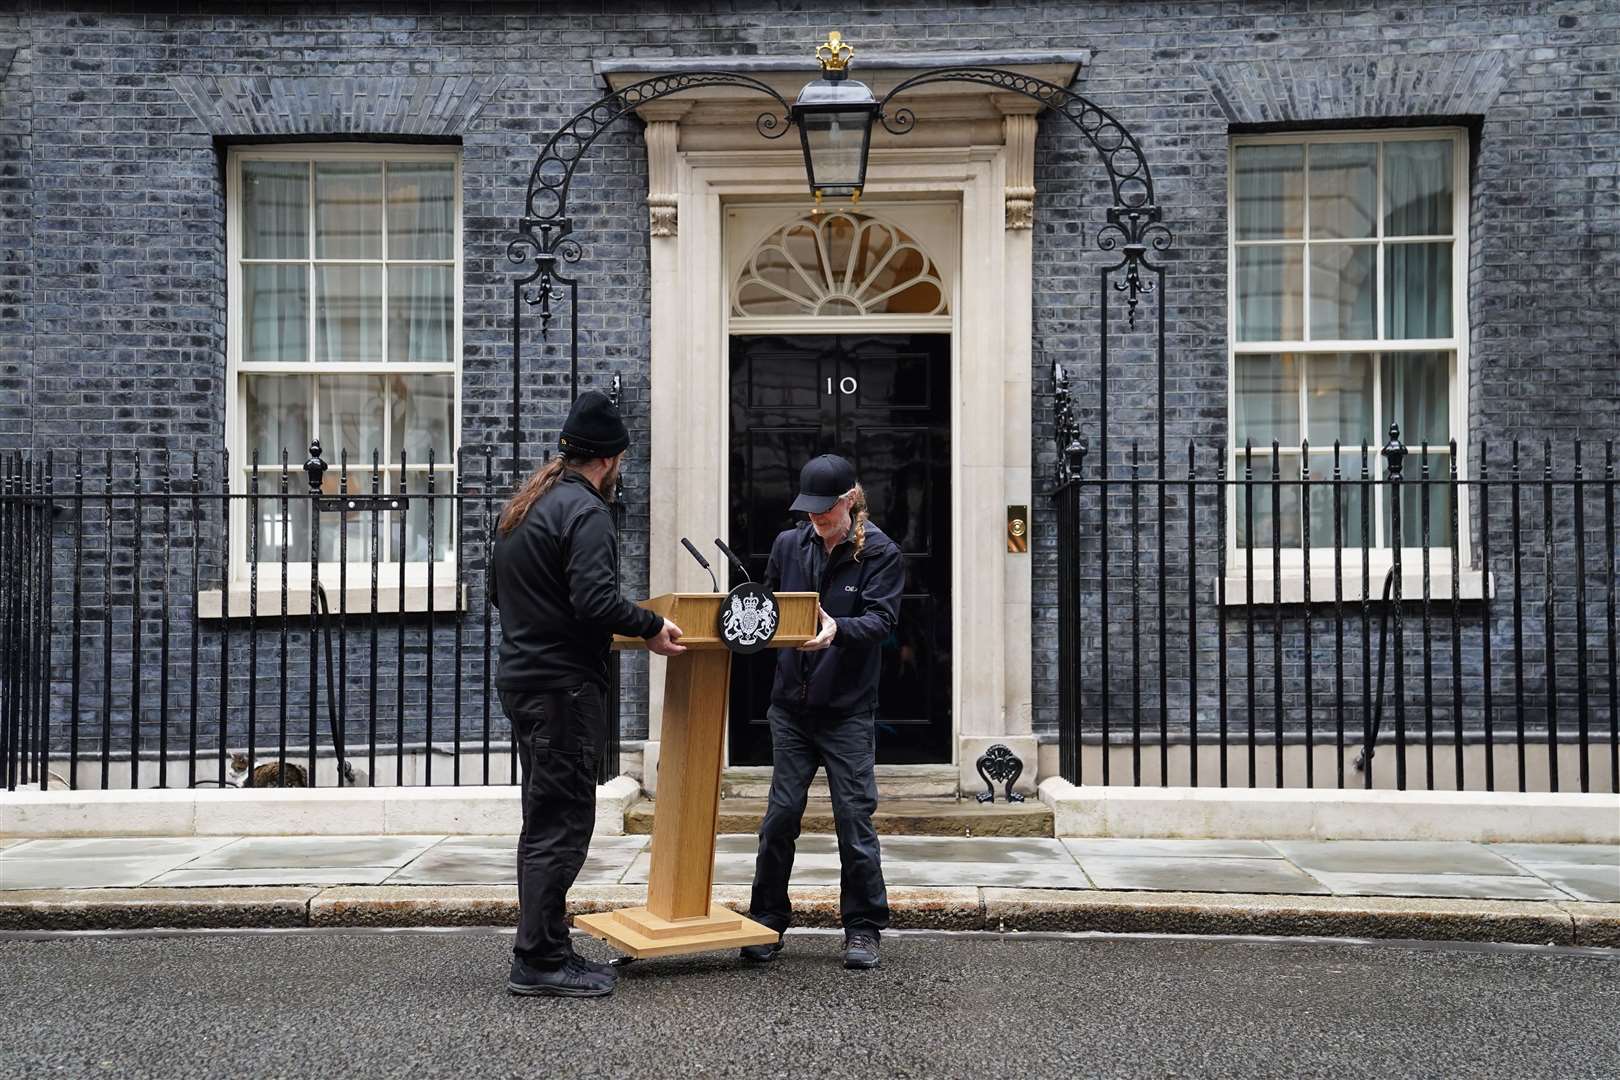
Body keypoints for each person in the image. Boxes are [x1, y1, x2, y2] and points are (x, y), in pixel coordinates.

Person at [490, 389, 686, 998]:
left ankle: (546, 947)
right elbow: (595, 601)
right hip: (561, 689)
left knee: (544, 820)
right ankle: (540, 961)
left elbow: (499, 595)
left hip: (525, 680)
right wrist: (653, 625)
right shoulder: (586, 513)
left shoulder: (528, 508)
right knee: (563, 825)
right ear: (609, 459)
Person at [743, 453, 903, 970]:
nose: (815, 519)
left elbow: (882, 620)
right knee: (779, 819)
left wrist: (840, 630)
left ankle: (863, 927)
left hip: (848, 711)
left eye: (824, 511)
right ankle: (766, 919)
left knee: (853, 819)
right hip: (790, 707)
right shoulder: (790, 544)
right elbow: (768, 606)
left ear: (849, 501)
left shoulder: (879, 552)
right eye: (808, 511)